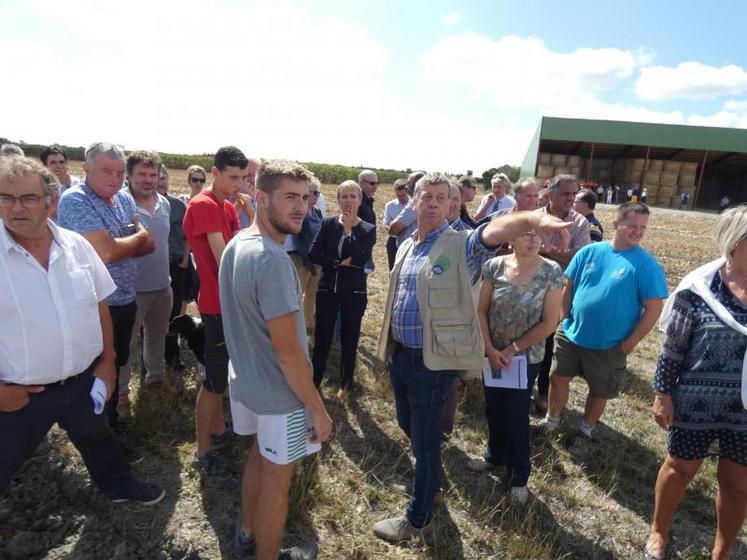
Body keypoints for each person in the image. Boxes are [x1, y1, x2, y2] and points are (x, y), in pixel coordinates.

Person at [372, 172, 572, 542]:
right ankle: (429, 487)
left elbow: (494, 232)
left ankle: (418, 519)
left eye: (440, 197)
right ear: (414, 202)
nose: (432, 203)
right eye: (425, 196)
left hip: (431, 362)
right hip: (399, 354)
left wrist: (532, 219)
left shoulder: (462, 244)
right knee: (409, 426)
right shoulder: (406, 245)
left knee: (427, 440)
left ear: (452, 204)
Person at [0, 156, 164, 505]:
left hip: (81, 384)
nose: (15, 208)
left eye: (27, 198)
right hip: (18, 396)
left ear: (51, 201)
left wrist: (107, 362)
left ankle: (118, 484)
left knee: (98, 438)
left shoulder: (76, 247)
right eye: (5, 197)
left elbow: (99, 304)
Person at [219, 159, 332, 560]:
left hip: (247, 384)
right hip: (280, 398)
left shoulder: (238, 243)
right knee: (277, 484)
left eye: (305, 198)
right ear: (261, 198)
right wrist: (317, 410)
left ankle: (247, 532)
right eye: (289, 197)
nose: (300, 207)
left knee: (259, 458)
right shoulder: (273, 261)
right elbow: (289, 354)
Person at [644, 206, 747, 560]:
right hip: (695, 400)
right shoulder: (699, 290)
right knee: (679, 469)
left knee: (738, 485)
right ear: (735, 244)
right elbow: (672, 349)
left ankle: (723, 550)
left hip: (745, 410)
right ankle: (659, 529)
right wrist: (662, 394)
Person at [541, 202, 668, 455]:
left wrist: (628, 344)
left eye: (642, 227)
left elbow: (654, 309)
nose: (637, 231)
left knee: (599, 391)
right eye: (632, 225)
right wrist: (564, 320)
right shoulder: (589, 253)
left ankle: (585, 432)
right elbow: (569, 287)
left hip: (610, 343)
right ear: (615, 224)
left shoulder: (646, 265)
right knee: (557, 377)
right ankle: (551, 421)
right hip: (571, 333)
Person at [57, 142, 155, 438]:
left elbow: (149, 244)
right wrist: (130, 240)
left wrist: (122, 243)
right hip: (92, 306)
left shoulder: (123, 199)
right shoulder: (76, 200)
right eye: (105, 171)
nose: (114, 178)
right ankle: (96, 434)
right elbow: (107, 252)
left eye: (118, 172)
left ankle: (109, 423)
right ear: (85, 169)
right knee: (95, 371)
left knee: (117, 362)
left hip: (125, 298)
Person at [467, 231, 564, 502]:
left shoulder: (551, 272)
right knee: (493, 406)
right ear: (512, 238)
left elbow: (549, 323)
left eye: (537, 236)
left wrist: (512, 349)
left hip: (524, 358)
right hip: (492, 353)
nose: (533, 240)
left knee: (516, 414)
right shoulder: (495, 265)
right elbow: (481, 310)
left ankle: (519, 475)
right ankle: (495, 456)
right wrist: (489, 347)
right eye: (526, 235)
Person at [183, 146, 245, 486]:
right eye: (232, 177)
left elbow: (239, 245)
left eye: (242, 178)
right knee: (215, 380)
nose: (237, 184)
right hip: (217, 304)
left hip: (228, 303)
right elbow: (227, 260)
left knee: (222, 375)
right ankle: (203, 452)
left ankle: (219, 428)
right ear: (215, 172)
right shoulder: (205, 205)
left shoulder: (227, 206)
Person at [117, 152, 174, 418]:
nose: (148, 180)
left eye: (153, 175)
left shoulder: (164, 203)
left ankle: (154, 378)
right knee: (126, 344)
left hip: (162, 286)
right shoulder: (120, 204)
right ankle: (120, 394)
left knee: (157, 334)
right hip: (131, 290)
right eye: (142, 174)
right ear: (128, 175)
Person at [310, 180, 376, 400]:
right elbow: (313, 253)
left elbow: (359, 258)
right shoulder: (328, 223)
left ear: (359, 200)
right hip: (327, 289)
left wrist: (348, 231)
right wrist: (338, 262)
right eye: (343, 197)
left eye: (352, 196)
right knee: (322, 339)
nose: (348, 201)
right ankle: (314, 382)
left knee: (350, 339)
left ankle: (345, 384)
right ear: (337, 200)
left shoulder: (367, 229)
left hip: (354, 293)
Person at [534, 175, 591, 414]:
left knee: (549, 343)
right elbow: (523, 251)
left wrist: (546, 252)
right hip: (530, 289)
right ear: (550, 194)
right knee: (526, 339)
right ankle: (522, 386)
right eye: (565, 194)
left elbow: (579, 260)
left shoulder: (580, 223)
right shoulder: (535, 217)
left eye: (573, 194)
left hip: (559, 292)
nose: (571, 199)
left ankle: (543, 393)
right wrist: (559, 254)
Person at [157, 165, 189, 372]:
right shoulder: (139, 205)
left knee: (174, 311)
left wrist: (185, 260)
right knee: (152, 313)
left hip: (176, 264)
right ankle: (152, 358)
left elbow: (188, 236)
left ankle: (173, 355)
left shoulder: (178, 205)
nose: (160, 182)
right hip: (153, 267)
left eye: (163, 178)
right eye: (156, 178)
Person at [286, 176, 324, 337]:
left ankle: (308, 328)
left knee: (312, 295)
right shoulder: (301, 214)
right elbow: (301, 239)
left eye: (318, 193)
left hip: (316, 261)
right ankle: (293, 330)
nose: (316, 196)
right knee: (297, 295)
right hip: (302, 260)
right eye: (313, 193)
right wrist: (308, 261)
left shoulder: (317, 213)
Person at [388, 171, 426, 247]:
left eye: (408, 183)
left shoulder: (415, 203)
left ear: (417, 184)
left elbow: (393, 229)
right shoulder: (425, 201)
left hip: (410, 249)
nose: (405, 186)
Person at [383, 178, 409, 270]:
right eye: (399, 196)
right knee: (393, 270)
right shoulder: (390, 206)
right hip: (393, 241)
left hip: (410, 242)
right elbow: (386, 223)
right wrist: (394, 230)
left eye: (403, 195)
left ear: (408, 191)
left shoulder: (414, 205)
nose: (401, 198)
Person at [357, 169, 378, 272]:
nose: (375, 186)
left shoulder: (368, 201)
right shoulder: (357, 201)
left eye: (377, 183)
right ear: (361, 183)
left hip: (367, 250)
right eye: (372, 183)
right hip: (358, 251)